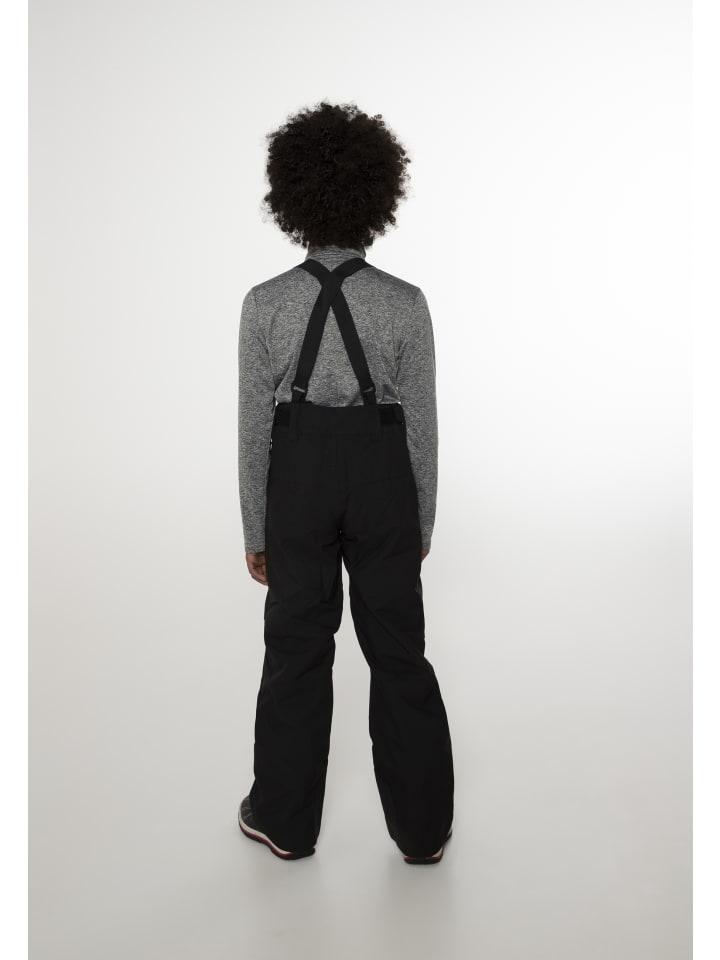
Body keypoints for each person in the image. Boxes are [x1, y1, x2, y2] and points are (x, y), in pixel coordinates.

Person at [237, 102, 454, 864]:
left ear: (293, 199)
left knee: (296, 648)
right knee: (399, 650)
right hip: (382, 482)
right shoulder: (405, 303)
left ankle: (284, 821)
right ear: (376, 198)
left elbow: (254, 430)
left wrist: (255, 530)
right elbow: (422, 429)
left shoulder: (264, 303)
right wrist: (420, 523)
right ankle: (423, 831)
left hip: (296, 484)